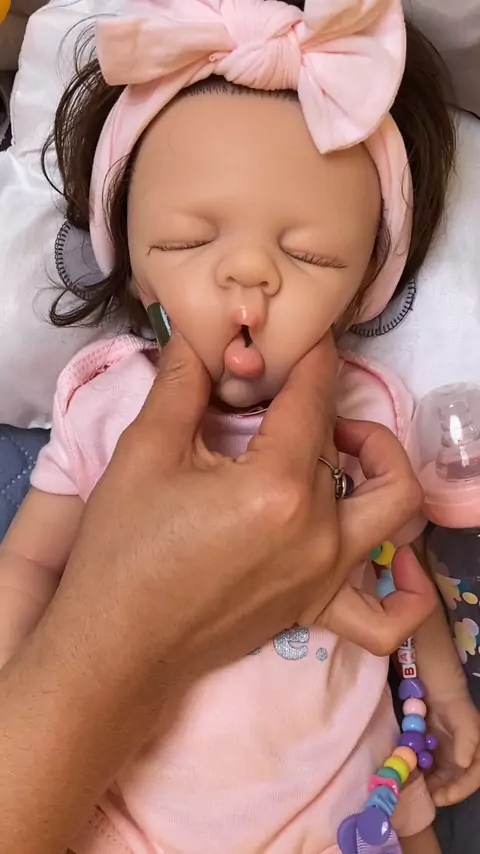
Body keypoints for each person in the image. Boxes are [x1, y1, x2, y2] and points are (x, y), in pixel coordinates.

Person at [0, 0, 475, 852]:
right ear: (131, 263)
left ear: (362, 290)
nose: (248, 275)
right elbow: (30, 559)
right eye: (188, 241)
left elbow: (401, 578)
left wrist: (441, 693)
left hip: (344, 804)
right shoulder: (101, 400)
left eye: (310, 255)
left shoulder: (371, 413)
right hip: (109, 806)